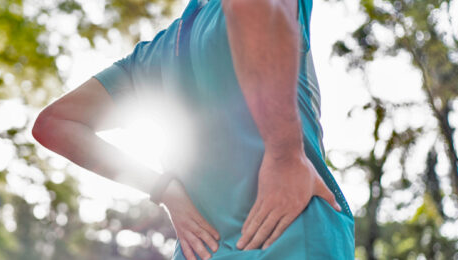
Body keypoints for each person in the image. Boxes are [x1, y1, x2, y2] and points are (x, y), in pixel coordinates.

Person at [31, 0, 355, 259]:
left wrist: (164, 189)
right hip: (291, 234)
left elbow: (55, 124)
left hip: (202, 250)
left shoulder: (150, 57)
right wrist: (284, 154)